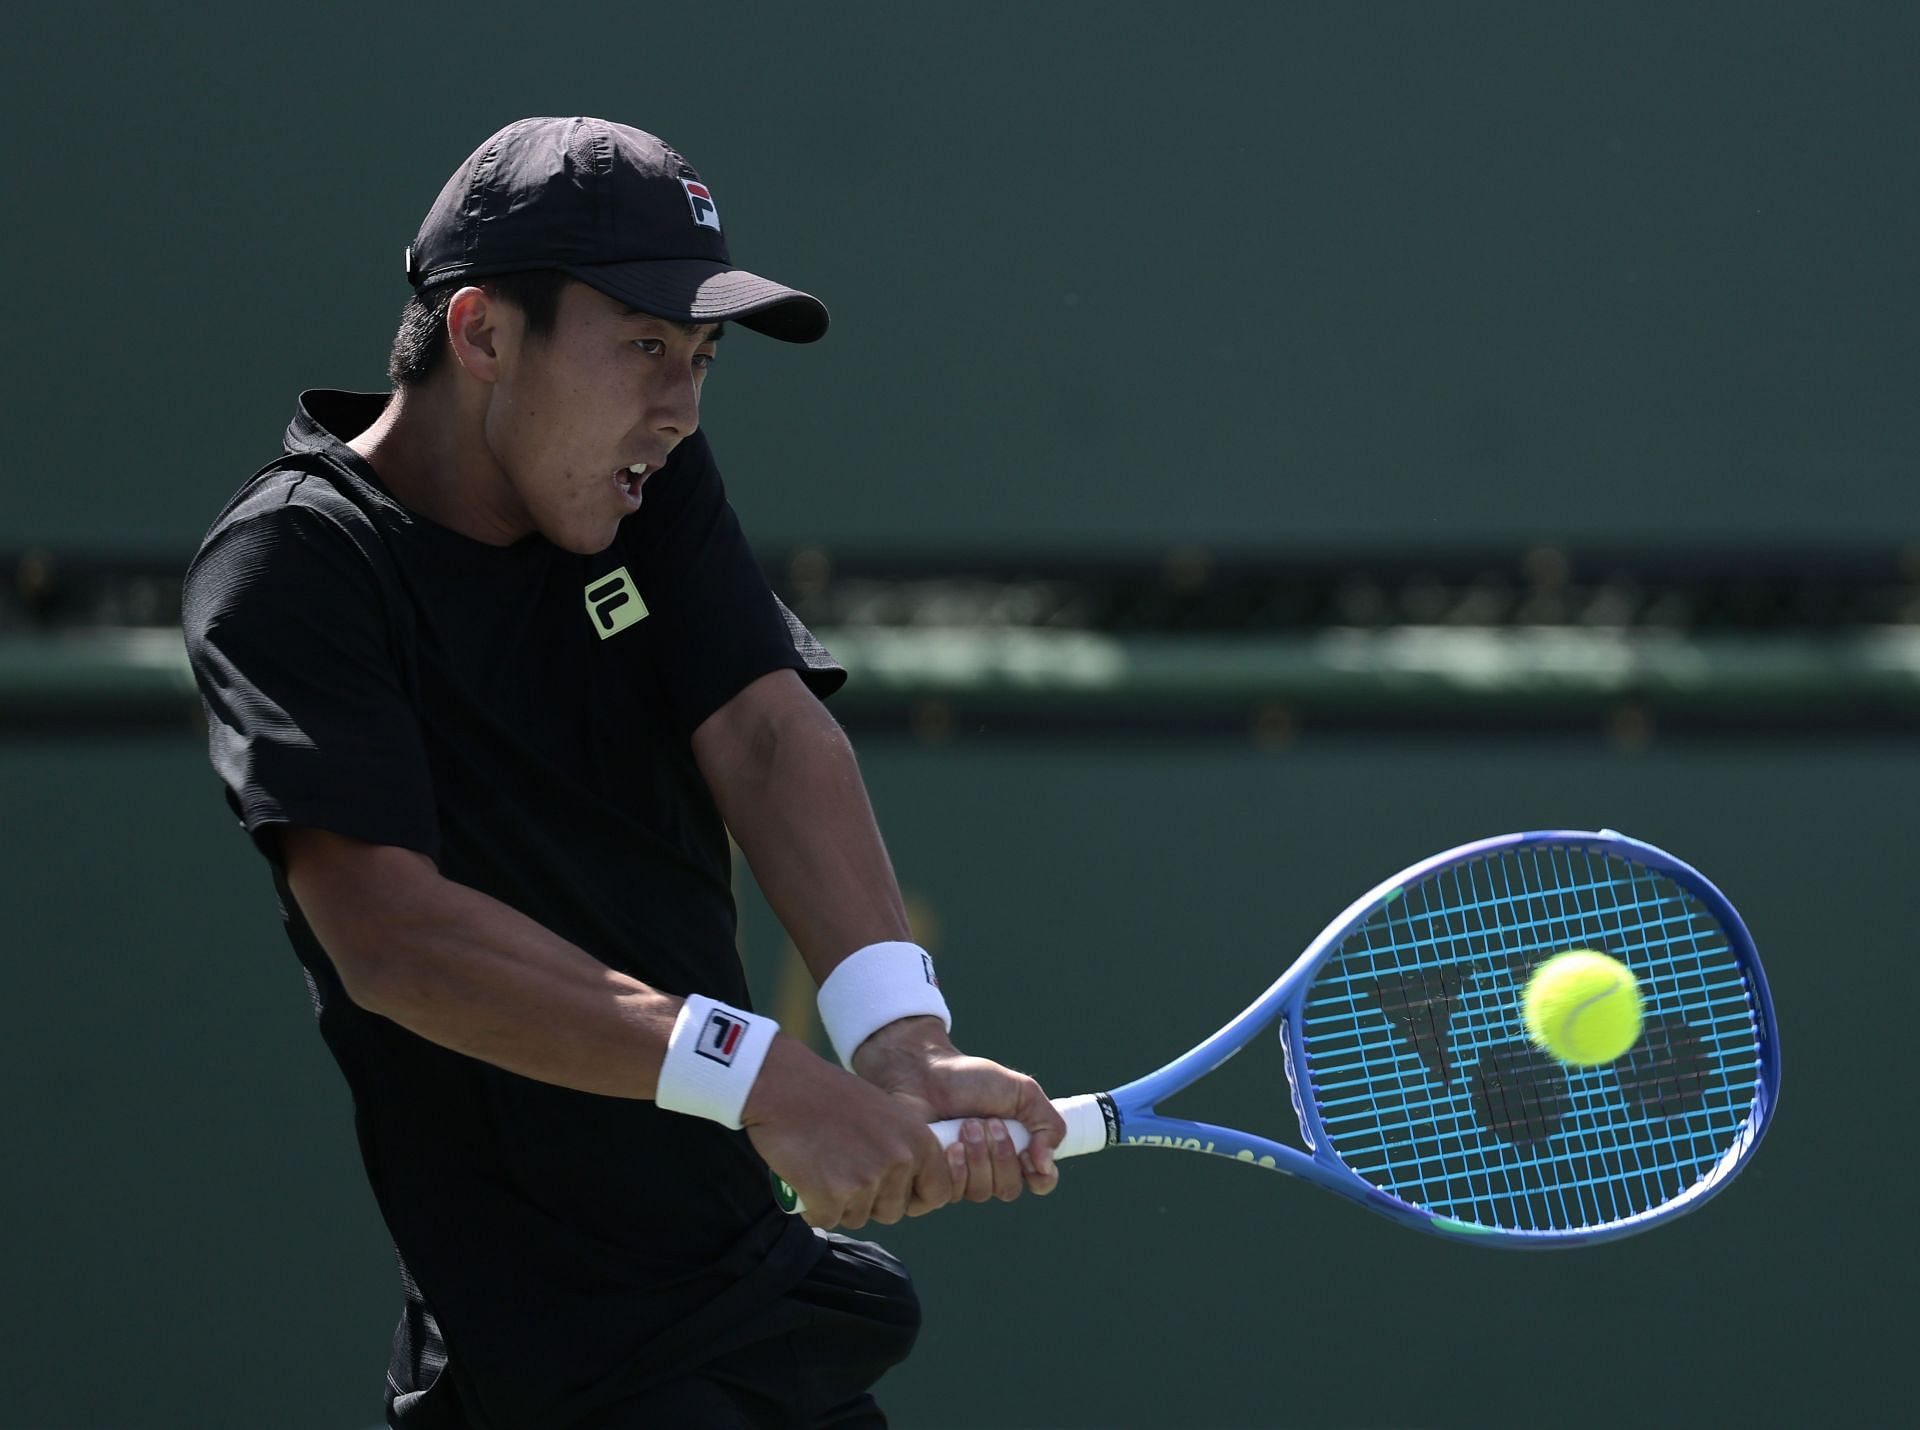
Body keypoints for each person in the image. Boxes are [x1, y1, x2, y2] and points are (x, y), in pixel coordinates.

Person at [181, 115, 1065, 1430]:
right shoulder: (295, 565)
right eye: (646, 346)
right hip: (559, 1365)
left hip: (744, 1316)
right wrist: (760, 1073)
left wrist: (898, 1035)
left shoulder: (650, 486)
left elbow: (765, 731)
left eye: (700, 358)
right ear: (481, 333)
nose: (682, 404)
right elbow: (394, 937)